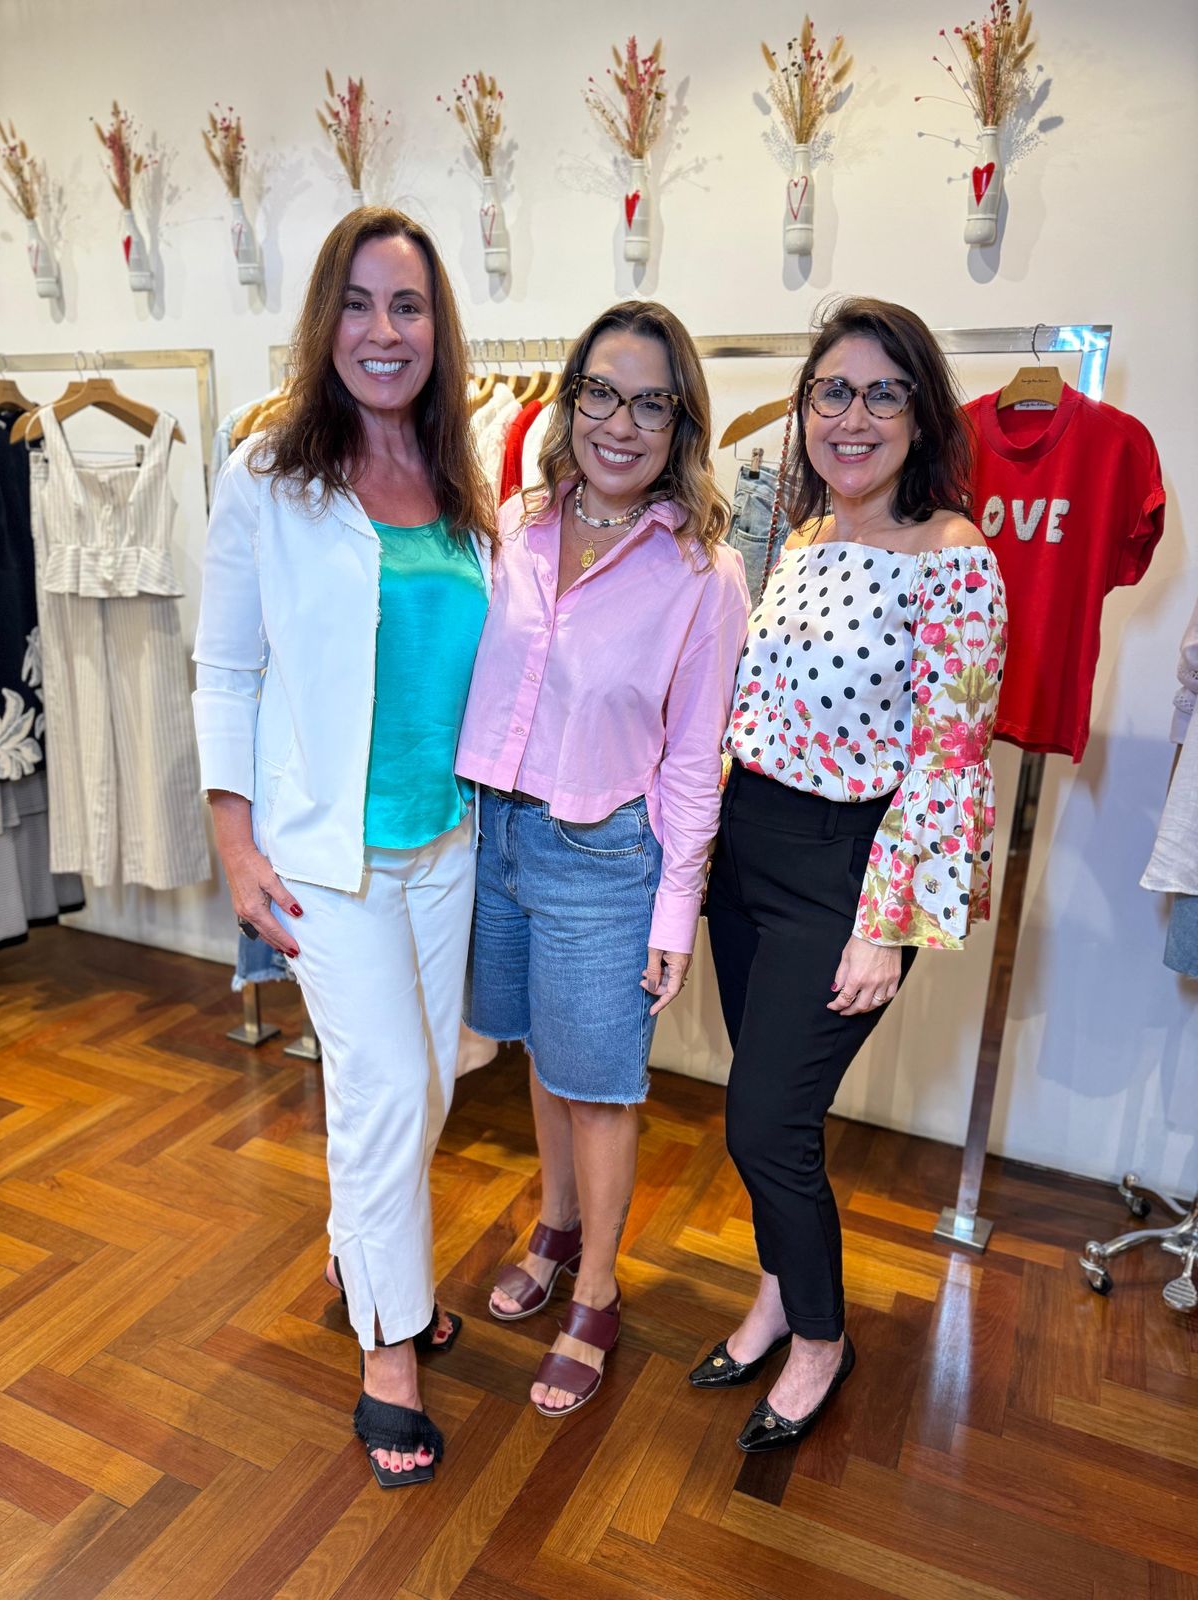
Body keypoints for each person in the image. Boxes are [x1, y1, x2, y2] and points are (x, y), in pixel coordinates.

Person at [192, 207, 495, 1489]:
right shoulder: (268, 472)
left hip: (444, 840)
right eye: (363, 305)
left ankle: (363, 1251)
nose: (387, 331)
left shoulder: (460, 475)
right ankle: (388, 1350)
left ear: (438, 328)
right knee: (378, 1093)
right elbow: (226, 663)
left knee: (429, 1086)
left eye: (410, 307)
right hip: (325, 854)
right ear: (328, 321)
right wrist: (230, 835)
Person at [692, 297, 1007, 1453]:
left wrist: (887, 926)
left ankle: (821, 1334)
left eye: (883, 392)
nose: (854, 415)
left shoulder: (957, 561)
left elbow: (949, 759)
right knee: (767, 1112)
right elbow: (757, 705)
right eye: (832, 391)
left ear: (922, 414)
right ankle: (780, 1288)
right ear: (804, 411)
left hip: (847, 872)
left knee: (766, 1121)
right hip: (748, 854)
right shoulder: (809, 537)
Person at [456, 301, 751, 1417]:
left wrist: (675, 909)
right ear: (570, 394)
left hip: (605, 855)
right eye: (602, 393)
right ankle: (554, 1221)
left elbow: (693, 757)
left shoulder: (702, 570)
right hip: (500, 837)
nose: (619, 424)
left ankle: (597, 1288)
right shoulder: (516, 524)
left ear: (681, 422)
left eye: (650, 402)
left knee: (602, 1086)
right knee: (543, 1055)